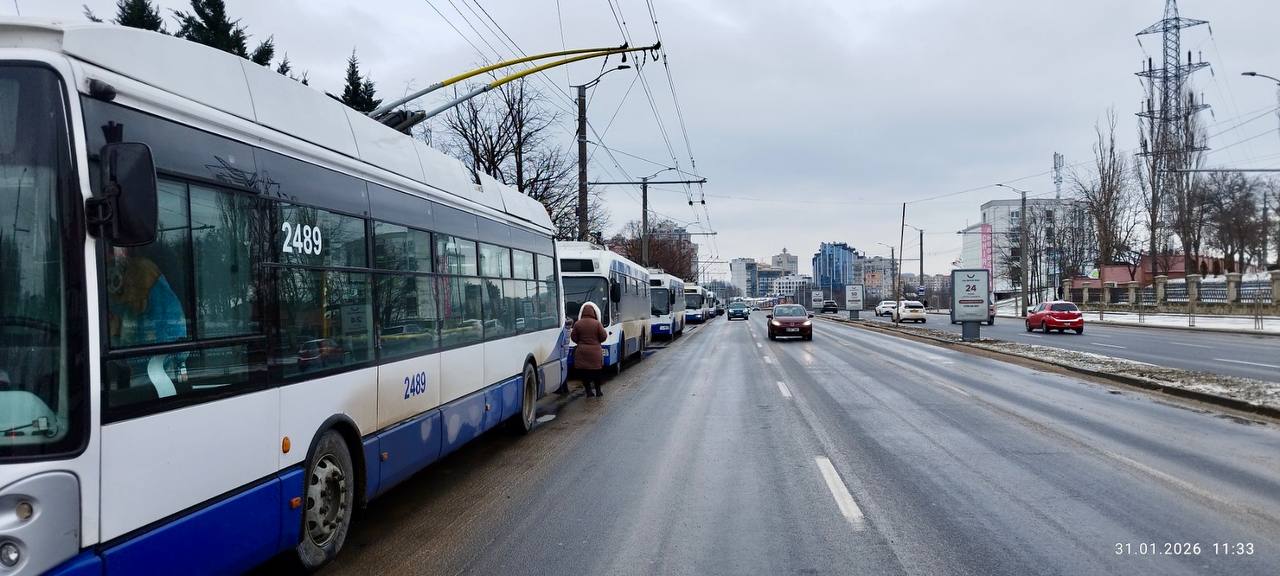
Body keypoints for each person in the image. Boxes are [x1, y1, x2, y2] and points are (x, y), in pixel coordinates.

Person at [570, 302, 608, 397]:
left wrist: (580, 342)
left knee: (584, 374)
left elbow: (573, 337)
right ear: (594, 313)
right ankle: (598, 391)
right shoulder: (597, 324)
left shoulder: (577, 324)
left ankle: (588, 392)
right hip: (595, 353)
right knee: (597, 373)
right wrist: (597, 341)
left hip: (582, 352)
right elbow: (604, 336)